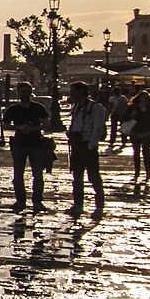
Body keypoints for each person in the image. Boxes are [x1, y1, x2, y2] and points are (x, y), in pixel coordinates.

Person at [4, 81, 52, 211]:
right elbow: (5, 125)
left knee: (38, 174)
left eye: (27, 92)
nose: (24, 94)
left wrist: (34, 128)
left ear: (31, 93)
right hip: (19, 143)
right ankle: (20, 200)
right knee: (18, 174)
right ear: (18, 93)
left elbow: (47, 123)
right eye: (22, 92)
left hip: (36, 143)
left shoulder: (38, 107)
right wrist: (19, 127)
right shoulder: (13, 109)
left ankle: (37, 201)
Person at [65, 81, 108, 214]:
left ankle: (99, 206)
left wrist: (91, 144)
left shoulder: (95, 107)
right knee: (77, 176)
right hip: (77, 145)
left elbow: (98, 127)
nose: (71, 94)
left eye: (73, 91)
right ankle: (78, 204)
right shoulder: (77, 107)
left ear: (81, 91)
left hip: (88, 145)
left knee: (93, 176)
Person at [127, 89, 150, 185]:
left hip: (147, 133)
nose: (143, 99)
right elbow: (126, 118)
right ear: (138, 98)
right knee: (136, 153)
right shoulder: (133, 108)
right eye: (142, 97)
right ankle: (137, 171)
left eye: (145, 98)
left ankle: (148, 172)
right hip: (135, 132)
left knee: (146, 152)